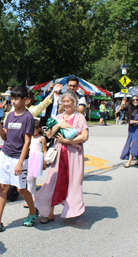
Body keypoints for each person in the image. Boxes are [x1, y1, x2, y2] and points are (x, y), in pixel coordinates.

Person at [0, 85, 38, 234]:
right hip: (5, 154)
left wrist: (20, 162)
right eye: (12, 98)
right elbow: (4, 136)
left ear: (26, 100)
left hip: (18, 157)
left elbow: (27, 142)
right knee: (3, 187)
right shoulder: (10, 115)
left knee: (21, 189)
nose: (13, 101)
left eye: (16, 98)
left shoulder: (28, 118)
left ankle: (33, 212)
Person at [34, 91, 89, 223]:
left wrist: (68, 141)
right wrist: (58, 125)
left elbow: (85, 136)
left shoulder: (80, 117)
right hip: (59, 153)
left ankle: (71, 210)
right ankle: (48, 213)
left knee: (73, 181)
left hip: (73, 154)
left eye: (68, 101)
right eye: (64, 102)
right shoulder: (58, 117)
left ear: (74, 102)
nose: (66, 104)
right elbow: (48, 134)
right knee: (53, 180)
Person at [23, 119, 47, 207]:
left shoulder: (42, 138)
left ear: (39, 129)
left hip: (36, 158)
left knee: (30, 178)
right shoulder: (30, 137)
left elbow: (45, 151)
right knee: (29, 179)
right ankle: (33, 197)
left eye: (34, 129)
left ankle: (31, 198)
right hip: (29, 157)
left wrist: (44, 162)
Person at [120, 95, 138, 167]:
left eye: (136, 99)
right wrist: (123, 103)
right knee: (131, 143)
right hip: (131, 129)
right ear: (131, 101)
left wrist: (134, 121)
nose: (135, 101)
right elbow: (122, 109)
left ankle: (129, 162)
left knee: (133, 144)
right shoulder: (130, 108)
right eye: (133, 100)